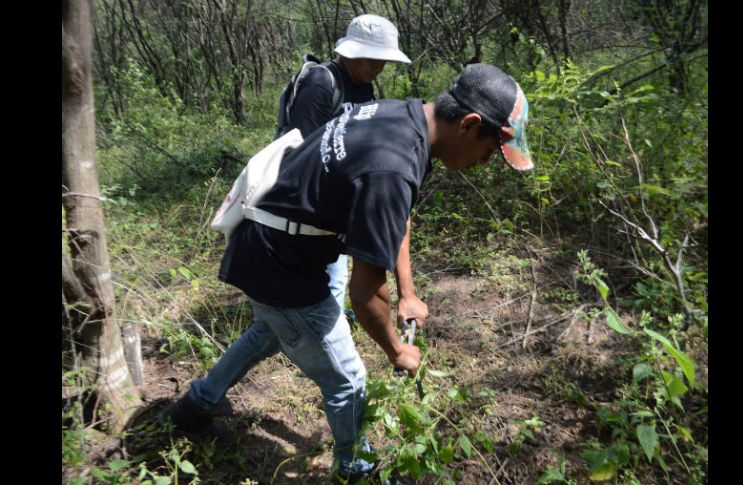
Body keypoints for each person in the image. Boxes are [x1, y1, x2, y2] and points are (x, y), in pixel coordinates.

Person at [161, 63, 533, 483]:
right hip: (281, 266)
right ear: (469, 124)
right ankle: (359, 471)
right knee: (349, 380)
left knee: (267, 332)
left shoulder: (404, 116)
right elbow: (365, 292)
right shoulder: (394, 162)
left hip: (264, 245)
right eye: (488, 153)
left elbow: (396, 216)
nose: (483, 164)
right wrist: (397, 351)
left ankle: (195, 406)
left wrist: (408, 291)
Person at [282, 14, 422, 323]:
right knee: (332, 274)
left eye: (383, 61)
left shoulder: (365, 89)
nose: (379, 67)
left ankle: (328, 315)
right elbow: (302, 148)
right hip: (317, 193)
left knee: (337, 270)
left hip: (346, 188)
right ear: (351, 53)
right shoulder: (322, 83)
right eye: (373, 59)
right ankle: (330, 329)